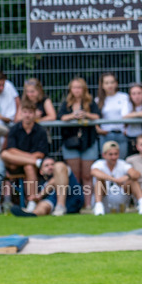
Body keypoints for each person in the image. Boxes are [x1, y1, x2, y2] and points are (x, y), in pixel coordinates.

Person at [57, 77, 101, 205]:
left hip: (88, 141)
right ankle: (76, 203)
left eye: (79, 87)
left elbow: (97, 116)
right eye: (74, 87)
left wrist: (86, 115)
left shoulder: (90, 102)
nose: (77, 90)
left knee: (87, 176)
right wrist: (73, 116)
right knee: (75, 176)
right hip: (71, 142)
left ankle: (88, 204)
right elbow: (60, 117)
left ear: (84, 89)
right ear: (71, 89)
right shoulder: (66, 103)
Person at [1, 101, 51, 205]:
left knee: (28, 166)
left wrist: (23, 158)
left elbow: (41, 154)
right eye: (25, 112)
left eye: (30, 112)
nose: (27, 115)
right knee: (4, 154)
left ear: (34, 114)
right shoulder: (14, 129)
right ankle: (34, 163)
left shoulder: (41, 131)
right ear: (21, 113)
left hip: (32, 167)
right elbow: (11, 150)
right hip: (16, 165)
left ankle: (31, 201)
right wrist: (33, 159)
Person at [10, 157, 83, 217]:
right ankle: (32, 214)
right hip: (54, 204)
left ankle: (61, 207)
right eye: (46, 165)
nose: (50, 167)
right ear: (41, 171)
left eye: (52, 164)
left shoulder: (63, 169)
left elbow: (54, 181)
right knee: (43, 205)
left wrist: (40, 195)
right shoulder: (43, 185)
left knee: (59, 165)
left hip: (73, 198)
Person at [91, 140, 142, 215]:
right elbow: (94, 172)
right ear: (104, 155)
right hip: (105, 196)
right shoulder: (99, 164)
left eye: (116, 154)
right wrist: (114, 180)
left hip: (121, 197)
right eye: (110, 154)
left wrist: (127, 177)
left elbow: (136, 174)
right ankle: (98, 206)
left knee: (133, 181)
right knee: (99, 181)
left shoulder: (123, 164)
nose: (113, 157)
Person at [96, 72, 131, 159]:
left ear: (116, 83)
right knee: (107, 163)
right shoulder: (98, 100)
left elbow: (127, 114)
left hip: (121, 134)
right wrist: (98, 130)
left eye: (112, 82)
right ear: (102, 85)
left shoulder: (124, 97)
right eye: (106, 83)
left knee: (121, 162)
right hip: (106, 135)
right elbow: (95, 117)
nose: (110, 85)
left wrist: (127, 129)